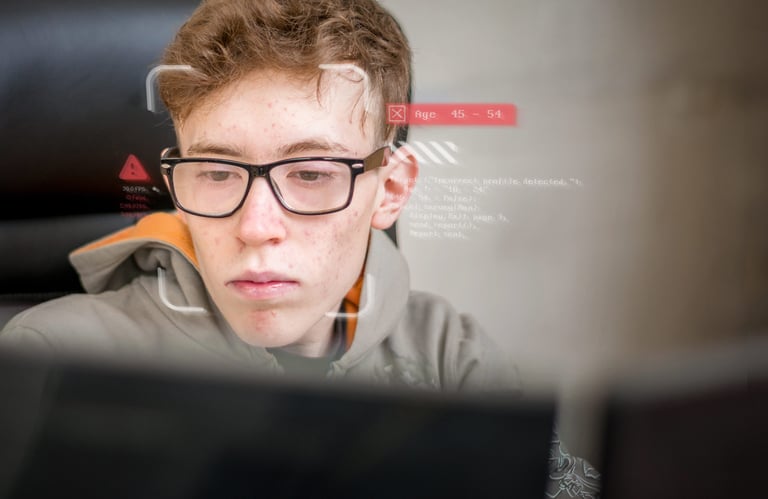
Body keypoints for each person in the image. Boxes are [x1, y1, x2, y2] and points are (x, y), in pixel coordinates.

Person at [0, 0, 600, 496]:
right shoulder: (52, 358)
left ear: (389, 190)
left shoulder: (449, 354)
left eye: (311, 173)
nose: (257, 226)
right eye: (216, 172)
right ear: (176, 188)